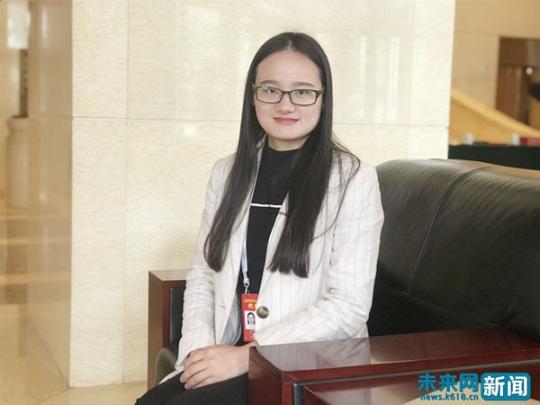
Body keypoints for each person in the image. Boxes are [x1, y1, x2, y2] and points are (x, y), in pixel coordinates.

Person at [135, 31, 384, 405]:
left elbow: (348, 306)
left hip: (305, 362)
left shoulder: (353, 180)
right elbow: (203, 273)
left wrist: (248, 356)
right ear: (252, 96)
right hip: (232, 345)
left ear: (323, 98)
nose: (285, 104)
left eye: (302, 92)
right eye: (270, 90)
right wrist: (198, 354)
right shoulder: (227, 172)